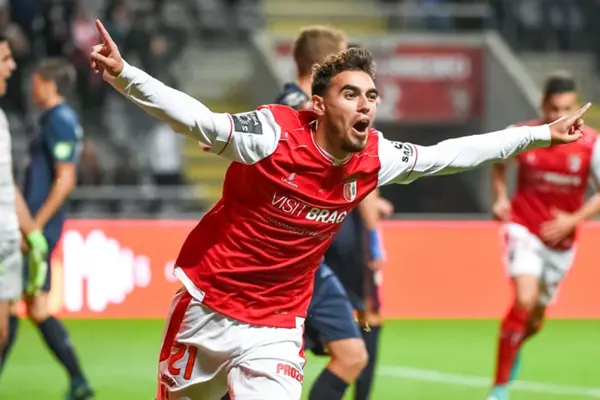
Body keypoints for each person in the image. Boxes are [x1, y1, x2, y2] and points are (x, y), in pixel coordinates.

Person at [90, 19, 589, 400]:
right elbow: (197, 119)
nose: (365, 105)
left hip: (277, 325)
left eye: (371, 96)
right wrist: (125, 75)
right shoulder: (271, 134)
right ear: (319, 103)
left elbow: (452, 154)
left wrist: (541, 134)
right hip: (208, 307)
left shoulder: (376, 156)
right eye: (350, 94)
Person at [275, 26, 390, 400]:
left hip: (306, 246)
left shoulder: (283, 105)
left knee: (338, 347)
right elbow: (354, 169)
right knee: (364, 324)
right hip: (322, 242)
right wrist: (374, 233)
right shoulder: (314, 108)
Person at [487, 72, 600, 400]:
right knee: (523, 299)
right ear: (542, 105)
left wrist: (573, 220)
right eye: (553, 108)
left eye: (566, 108)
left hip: (561, 242)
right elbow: (498, 165)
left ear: (576, 107)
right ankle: (499, 387)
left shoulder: (591, 144)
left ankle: (514, 345)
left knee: (534, 321)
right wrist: (500, 198)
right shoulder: (524, 134)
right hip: (523, 228)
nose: (559, 116)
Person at [1, 57, 93, 400]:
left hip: (36, 228)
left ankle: (79, 379)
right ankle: (79, 380)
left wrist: (34, 227)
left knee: (15, 303)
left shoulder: (60, 119)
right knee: (31, 305)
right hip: (34, 226)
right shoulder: (51, 120)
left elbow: (65, 179)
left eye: (36, 81)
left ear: (48, 84)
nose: (31, 86)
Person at [0, 33, 49, 377]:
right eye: (4, 59)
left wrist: (31, 233)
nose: (12, 66)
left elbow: (7, 185)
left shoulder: (2, 120)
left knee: (3, 334)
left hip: (6, 243)